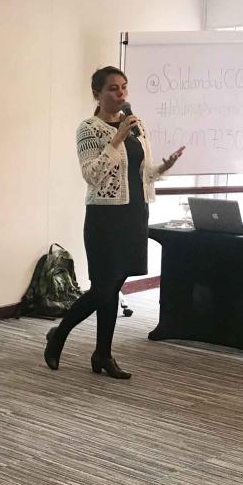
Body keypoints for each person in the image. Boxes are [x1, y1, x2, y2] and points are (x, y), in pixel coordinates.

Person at [44, 67, 185, 379]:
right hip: (105, 218)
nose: (121, 94)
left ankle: (102, 354)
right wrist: (117, 137)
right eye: (113, 88)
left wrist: (164, 167)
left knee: (112, 288)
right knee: (104, 289)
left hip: (135, 214)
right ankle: (60, 335)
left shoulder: (137, 126)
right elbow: (92, 175)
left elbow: (143, 173)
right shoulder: (89, 129)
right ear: (97, 94)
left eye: (124, 87)